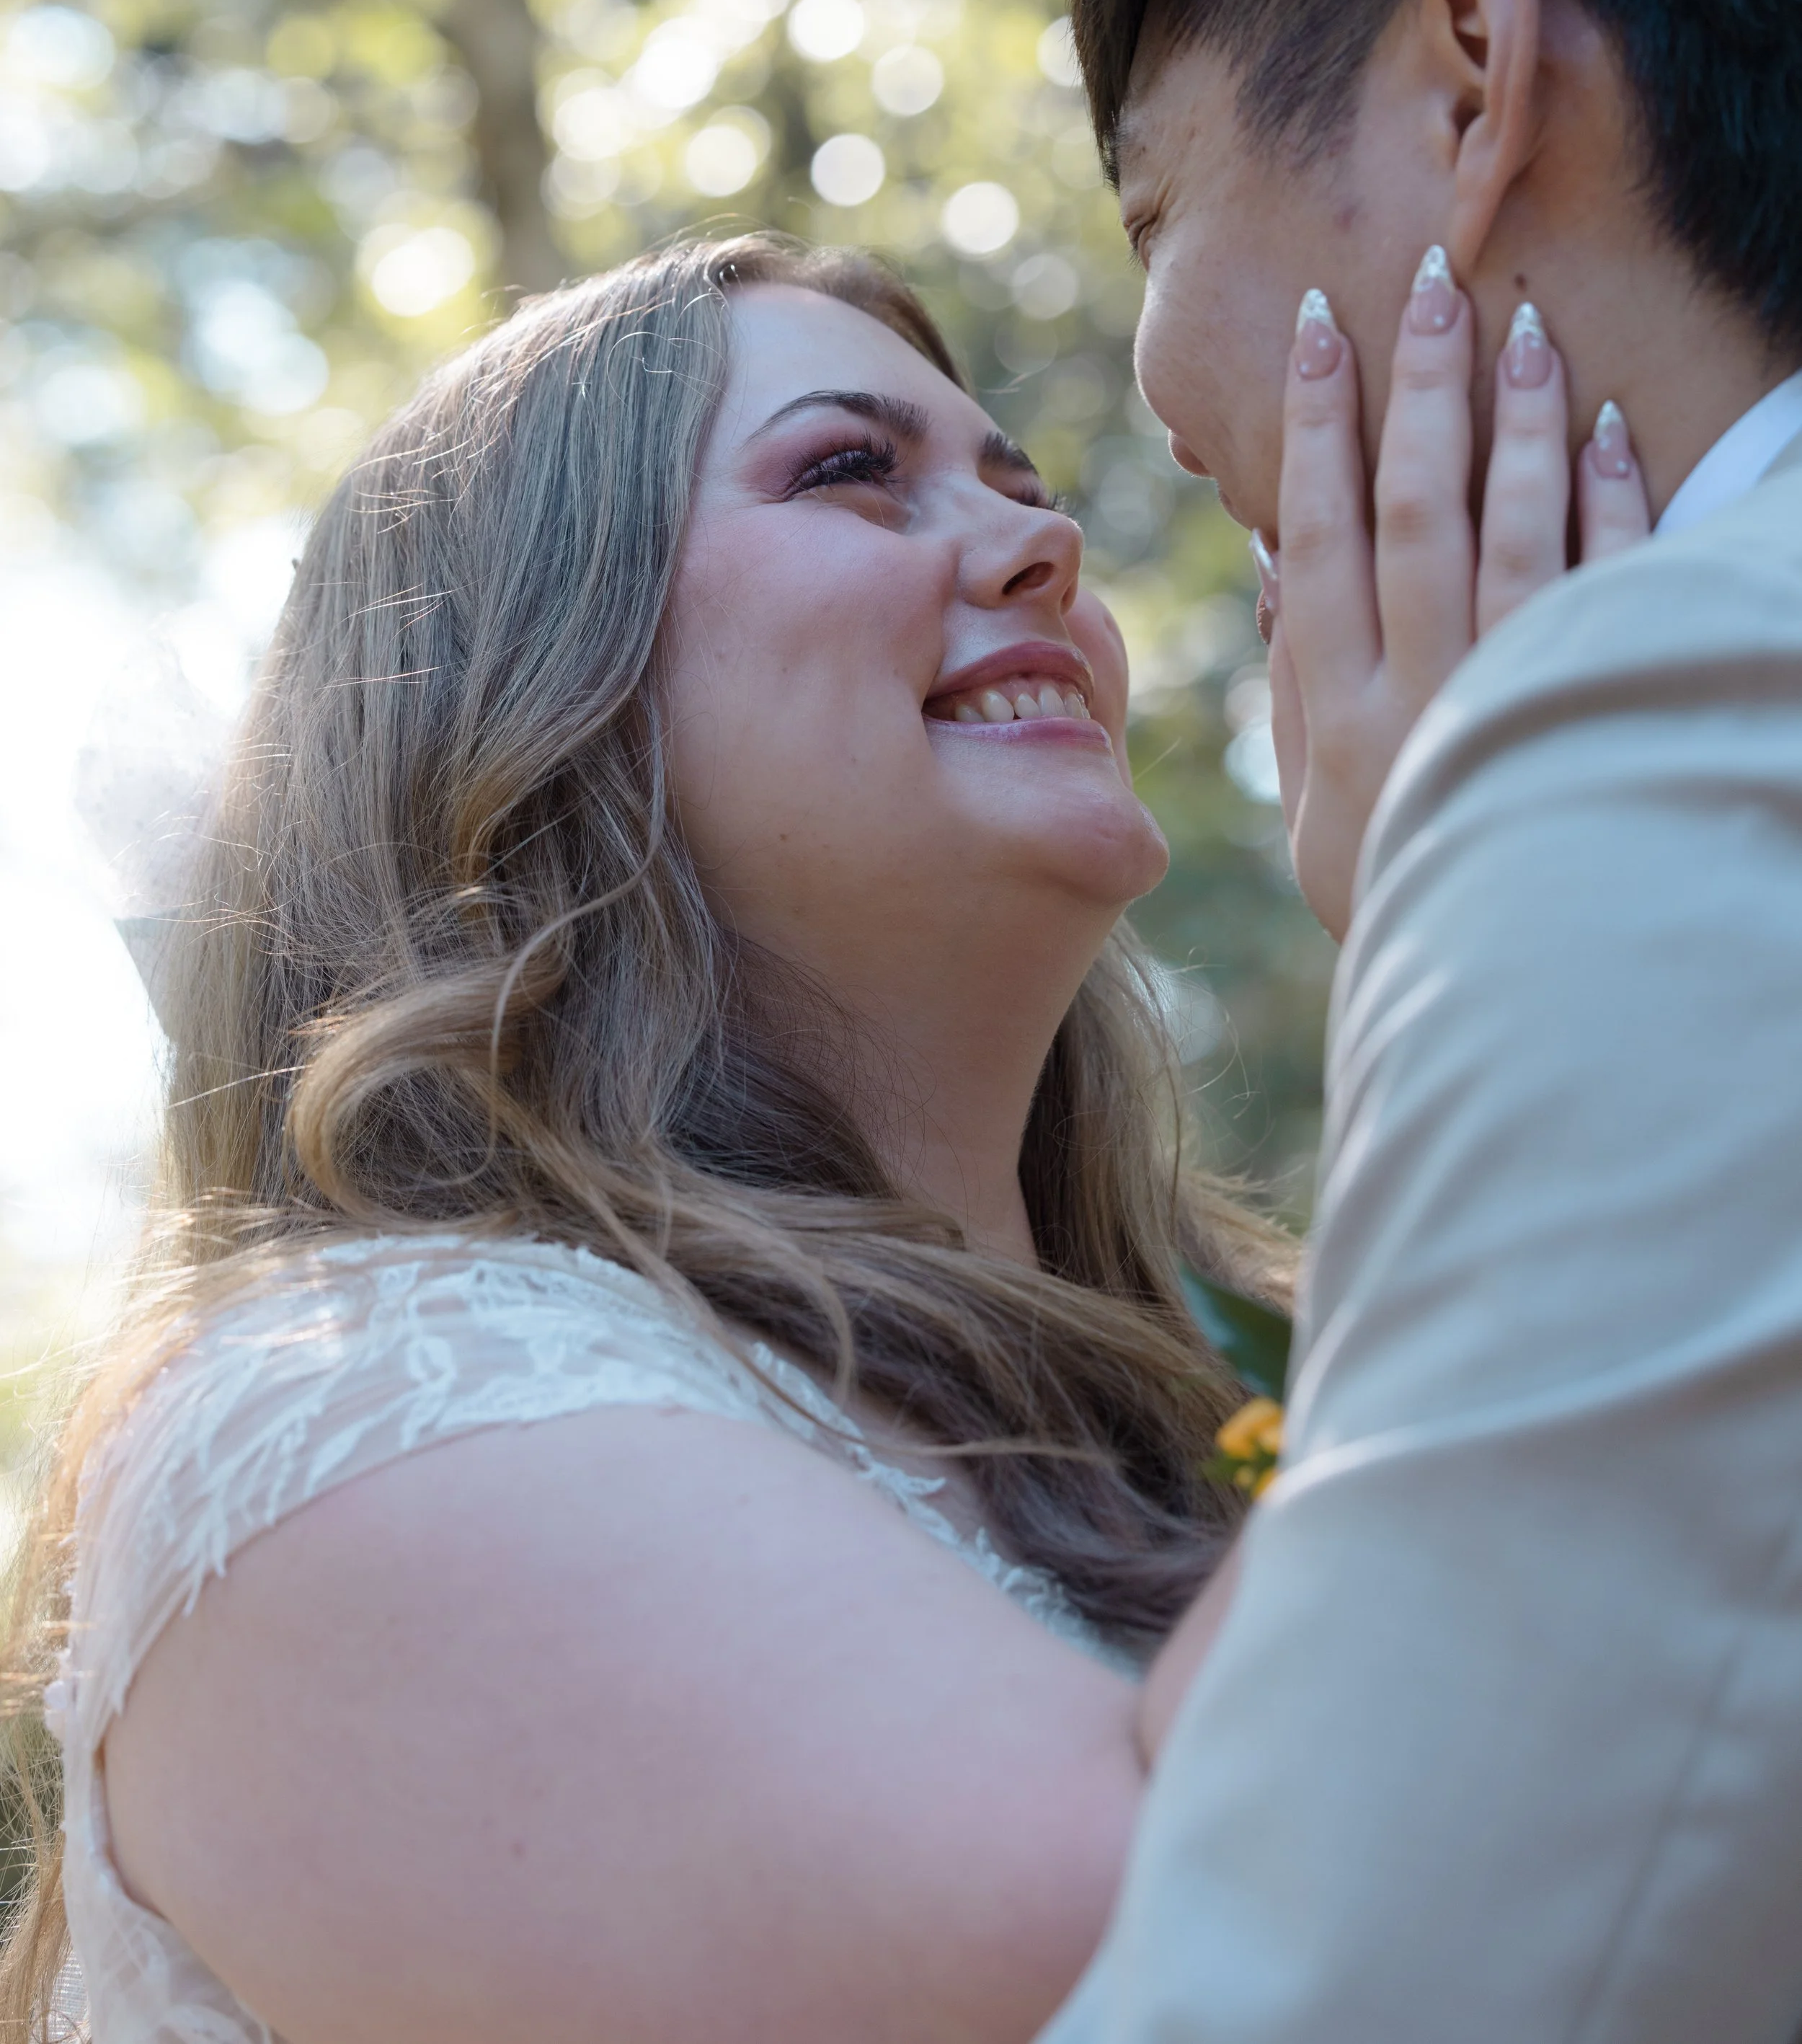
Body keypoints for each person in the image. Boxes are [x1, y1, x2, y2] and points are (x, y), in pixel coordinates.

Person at [0, 229, 1610, 2044]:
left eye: (1023, 484)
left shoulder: (1252, 1369)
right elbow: (1215, 1949)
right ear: (543, 667)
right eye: (851, 471)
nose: (1040, 543)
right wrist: (1515, 896)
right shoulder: (347, 1407)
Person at [1041, 0, 1802, 2044]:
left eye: (1155, 212)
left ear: (1469, 72)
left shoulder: (1676, 737)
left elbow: (1373, 1969)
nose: (1149, 431)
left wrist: (1470, 887)